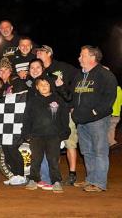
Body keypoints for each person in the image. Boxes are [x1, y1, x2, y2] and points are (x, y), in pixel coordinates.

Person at [71, 45, 117, 192]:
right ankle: (90, 179)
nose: (79, 58)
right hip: (81, 120)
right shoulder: (79, 75)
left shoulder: (105, 75)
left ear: (92, 57)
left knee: (99, 151)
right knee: (86, 151)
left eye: (82, 55)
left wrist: (95, 112)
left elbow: (110, 98)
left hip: (98, 120)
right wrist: (73, 110)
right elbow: (73, 95)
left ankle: (99, 183)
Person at [34, 45, 80, 186]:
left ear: (49, 53)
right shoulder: (40, 71)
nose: (38, 53)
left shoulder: (62, 66)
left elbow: (80, 75)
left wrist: (72, 101)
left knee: (70, 143)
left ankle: (72, 173)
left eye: (40, 51)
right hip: (48, 115)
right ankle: (54, 174)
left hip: (65, 110)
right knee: (52, 144)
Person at [23, 77, 71, 193]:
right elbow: (27, 118)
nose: (44, 87)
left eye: (47, 84)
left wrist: (64, 132)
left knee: (53, 159)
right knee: (36, 159)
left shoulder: (58, 100)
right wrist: (26, 133)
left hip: (53, 135)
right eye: (41, 84)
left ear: (51, 86)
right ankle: (33, 179)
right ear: (37, 87)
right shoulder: (32, 101)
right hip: (36, 135)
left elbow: (64, 117)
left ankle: (56, 181)